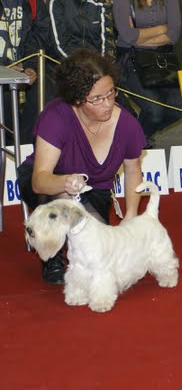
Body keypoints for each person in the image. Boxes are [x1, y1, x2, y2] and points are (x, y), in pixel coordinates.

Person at [17, 49, 146, 284]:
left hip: (94, 191)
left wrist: (131, 215)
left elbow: (133, 169)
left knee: (102, 249)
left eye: (111, 93)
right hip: (47, 186)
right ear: (77, 99)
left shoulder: (126, 124)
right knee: (60, 194)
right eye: (97, 99)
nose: (107, 103)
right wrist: (65, 182)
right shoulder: (56, 117)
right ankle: (52, 259)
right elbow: (39, 180)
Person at [113, 0, 182, 146]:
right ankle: (139, 143)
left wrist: (142, 36)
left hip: (162, 59)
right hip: (131, 60)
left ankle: (135, 140)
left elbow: (175, 32)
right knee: (154, 111)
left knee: (177, 107)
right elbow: (126, 35)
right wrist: (161, 28)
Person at [0, 0, 51, 144]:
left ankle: (27, 152)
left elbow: (40, 36)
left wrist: (30, 66)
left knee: (48, 98)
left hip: (23, 66)